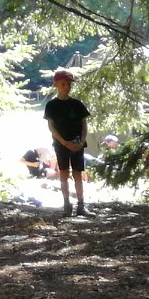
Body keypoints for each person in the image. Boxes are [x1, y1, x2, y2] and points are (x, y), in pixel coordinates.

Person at [43, 69, 89, 215]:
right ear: (56, 84)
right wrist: (63, 141)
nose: (67, 87)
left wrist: (81, 141)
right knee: (63, 173)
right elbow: (51, 126)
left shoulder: (77, 104)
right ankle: (66, 205)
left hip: (77, 144)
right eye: (63, 84)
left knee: (78, 174)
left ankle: (81, 206)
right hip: (61, 145)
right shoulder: (51, 105)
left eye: (69, 84)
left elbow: (84, 124)